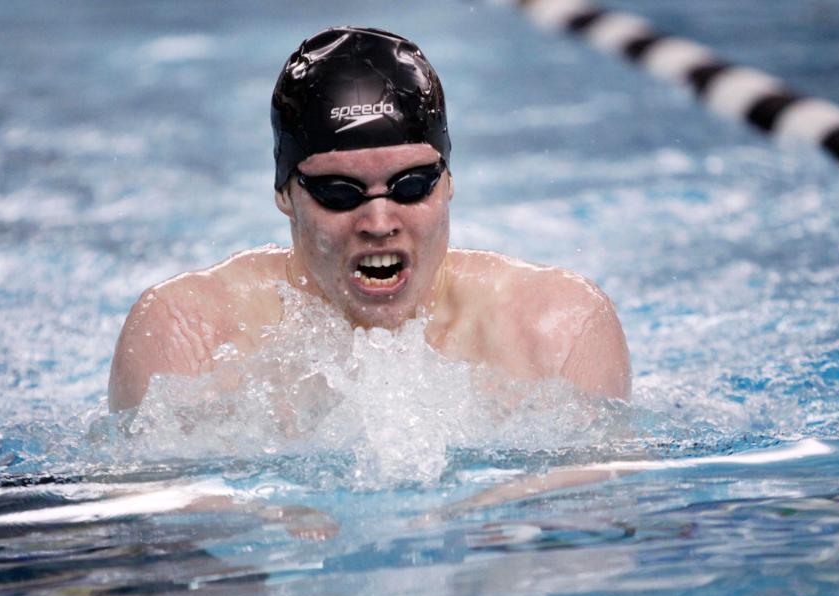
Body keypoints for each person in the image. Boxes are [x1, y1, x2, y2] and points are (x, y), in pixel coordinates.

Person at [108, 26, 630, 413]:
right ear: (285, 194)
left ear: (448, 181)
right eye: (339, 192)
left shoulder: (557, 331)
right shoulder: (186, 337)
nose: (379, 220)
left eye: (411, 185)